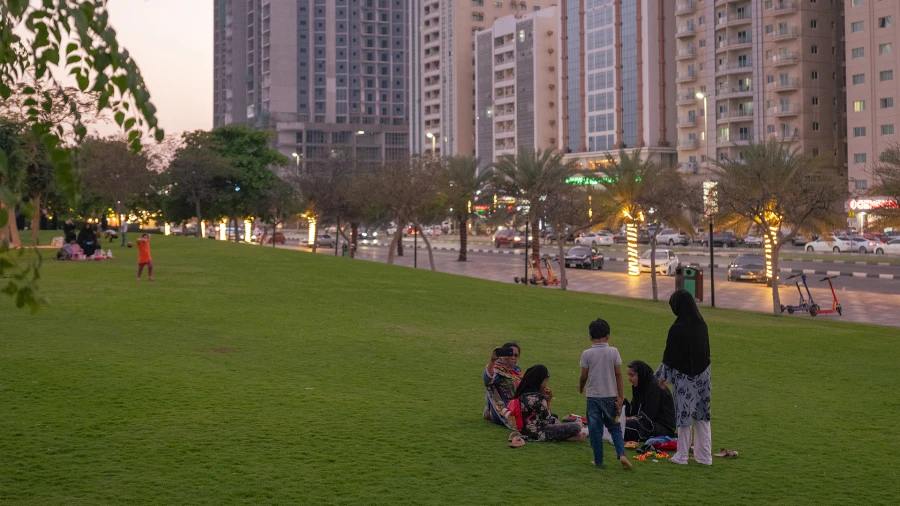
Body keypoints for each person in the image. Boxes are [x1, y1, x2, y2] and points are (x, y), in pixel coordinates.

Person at [656, 289, 712, 465]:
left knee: (684, 418)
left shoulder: (677, 328)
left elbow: (670, 356)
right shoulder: (701, 325)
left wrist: (661, 377)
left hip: (684, 378)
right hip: (704, 375)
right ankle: (704, 456)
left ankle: (682, 456)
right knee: (702, 417)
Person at [579, 318, 631, 470]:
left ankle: (598, 461)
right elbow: (618, 375)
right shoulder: (613, 351)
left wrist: (581, 387)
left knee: (595, 430)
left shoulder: (586, 354)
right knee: (614, 427)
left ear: (590, 337)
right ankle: (621, 454)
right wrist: (620, 396)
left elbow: (584, 376)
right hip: (610, 397)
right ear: (608, 336)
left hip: (593, 397)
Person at [513, 365, 584, 442]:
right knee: (577, 426)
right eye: (546, 380)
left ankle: (570, 436)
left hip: (524, 431)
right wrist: (548, 401)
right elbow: (547, 420)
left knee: (555, 419)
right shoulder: (537, 397)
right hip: (537, 433)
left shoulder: (522, 393)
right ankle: (570, 436)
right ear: (539, 379)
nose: (546, 383)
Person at [623, 360, 676, 442]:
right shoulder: (641, 385)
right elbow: (633, 410)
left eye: (632, 375)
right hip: (647, 422)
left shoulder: (654, 386)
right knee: (620, 424)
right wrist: (622, 401)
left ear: (640, 374)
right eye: (628, 375)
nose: (629, 379)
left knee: (625, 426)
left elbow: (649, 414)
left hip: (662, 427)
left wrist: (631, 419)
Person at [483, 342, 523, 429]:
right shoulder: (497, 369)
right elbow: (488, 380)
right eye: (509, 354)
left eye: (516, 355)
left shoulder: (517, 370)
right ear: (501, 355)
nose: (513, 358)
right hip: (501, 410)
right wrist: (492, 361)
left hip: (517, 407)